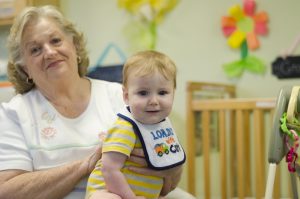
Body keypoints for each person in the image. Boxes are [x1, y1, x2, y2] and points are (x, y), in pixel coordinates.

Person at [0, 5, 195, 199]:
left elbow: (168, 181)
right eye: (35, 49)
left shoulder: (121, 96)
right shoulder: (14, 113)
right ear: (25, 69)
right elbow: (7, 192)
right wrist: (86, 165)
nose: (49, 52)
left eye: (56, 40)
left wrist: (169, 165)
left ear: (74, 45)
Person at [86, 51, 186, 199]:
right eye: (143, 93)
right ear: (126, 96)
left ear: (173, 94)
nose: (154, 101)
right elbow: (109, 170)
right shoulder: (126, 127)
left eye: (162, 92)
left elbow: (167, 174)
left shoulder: (164, 127)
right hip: (108, 191)